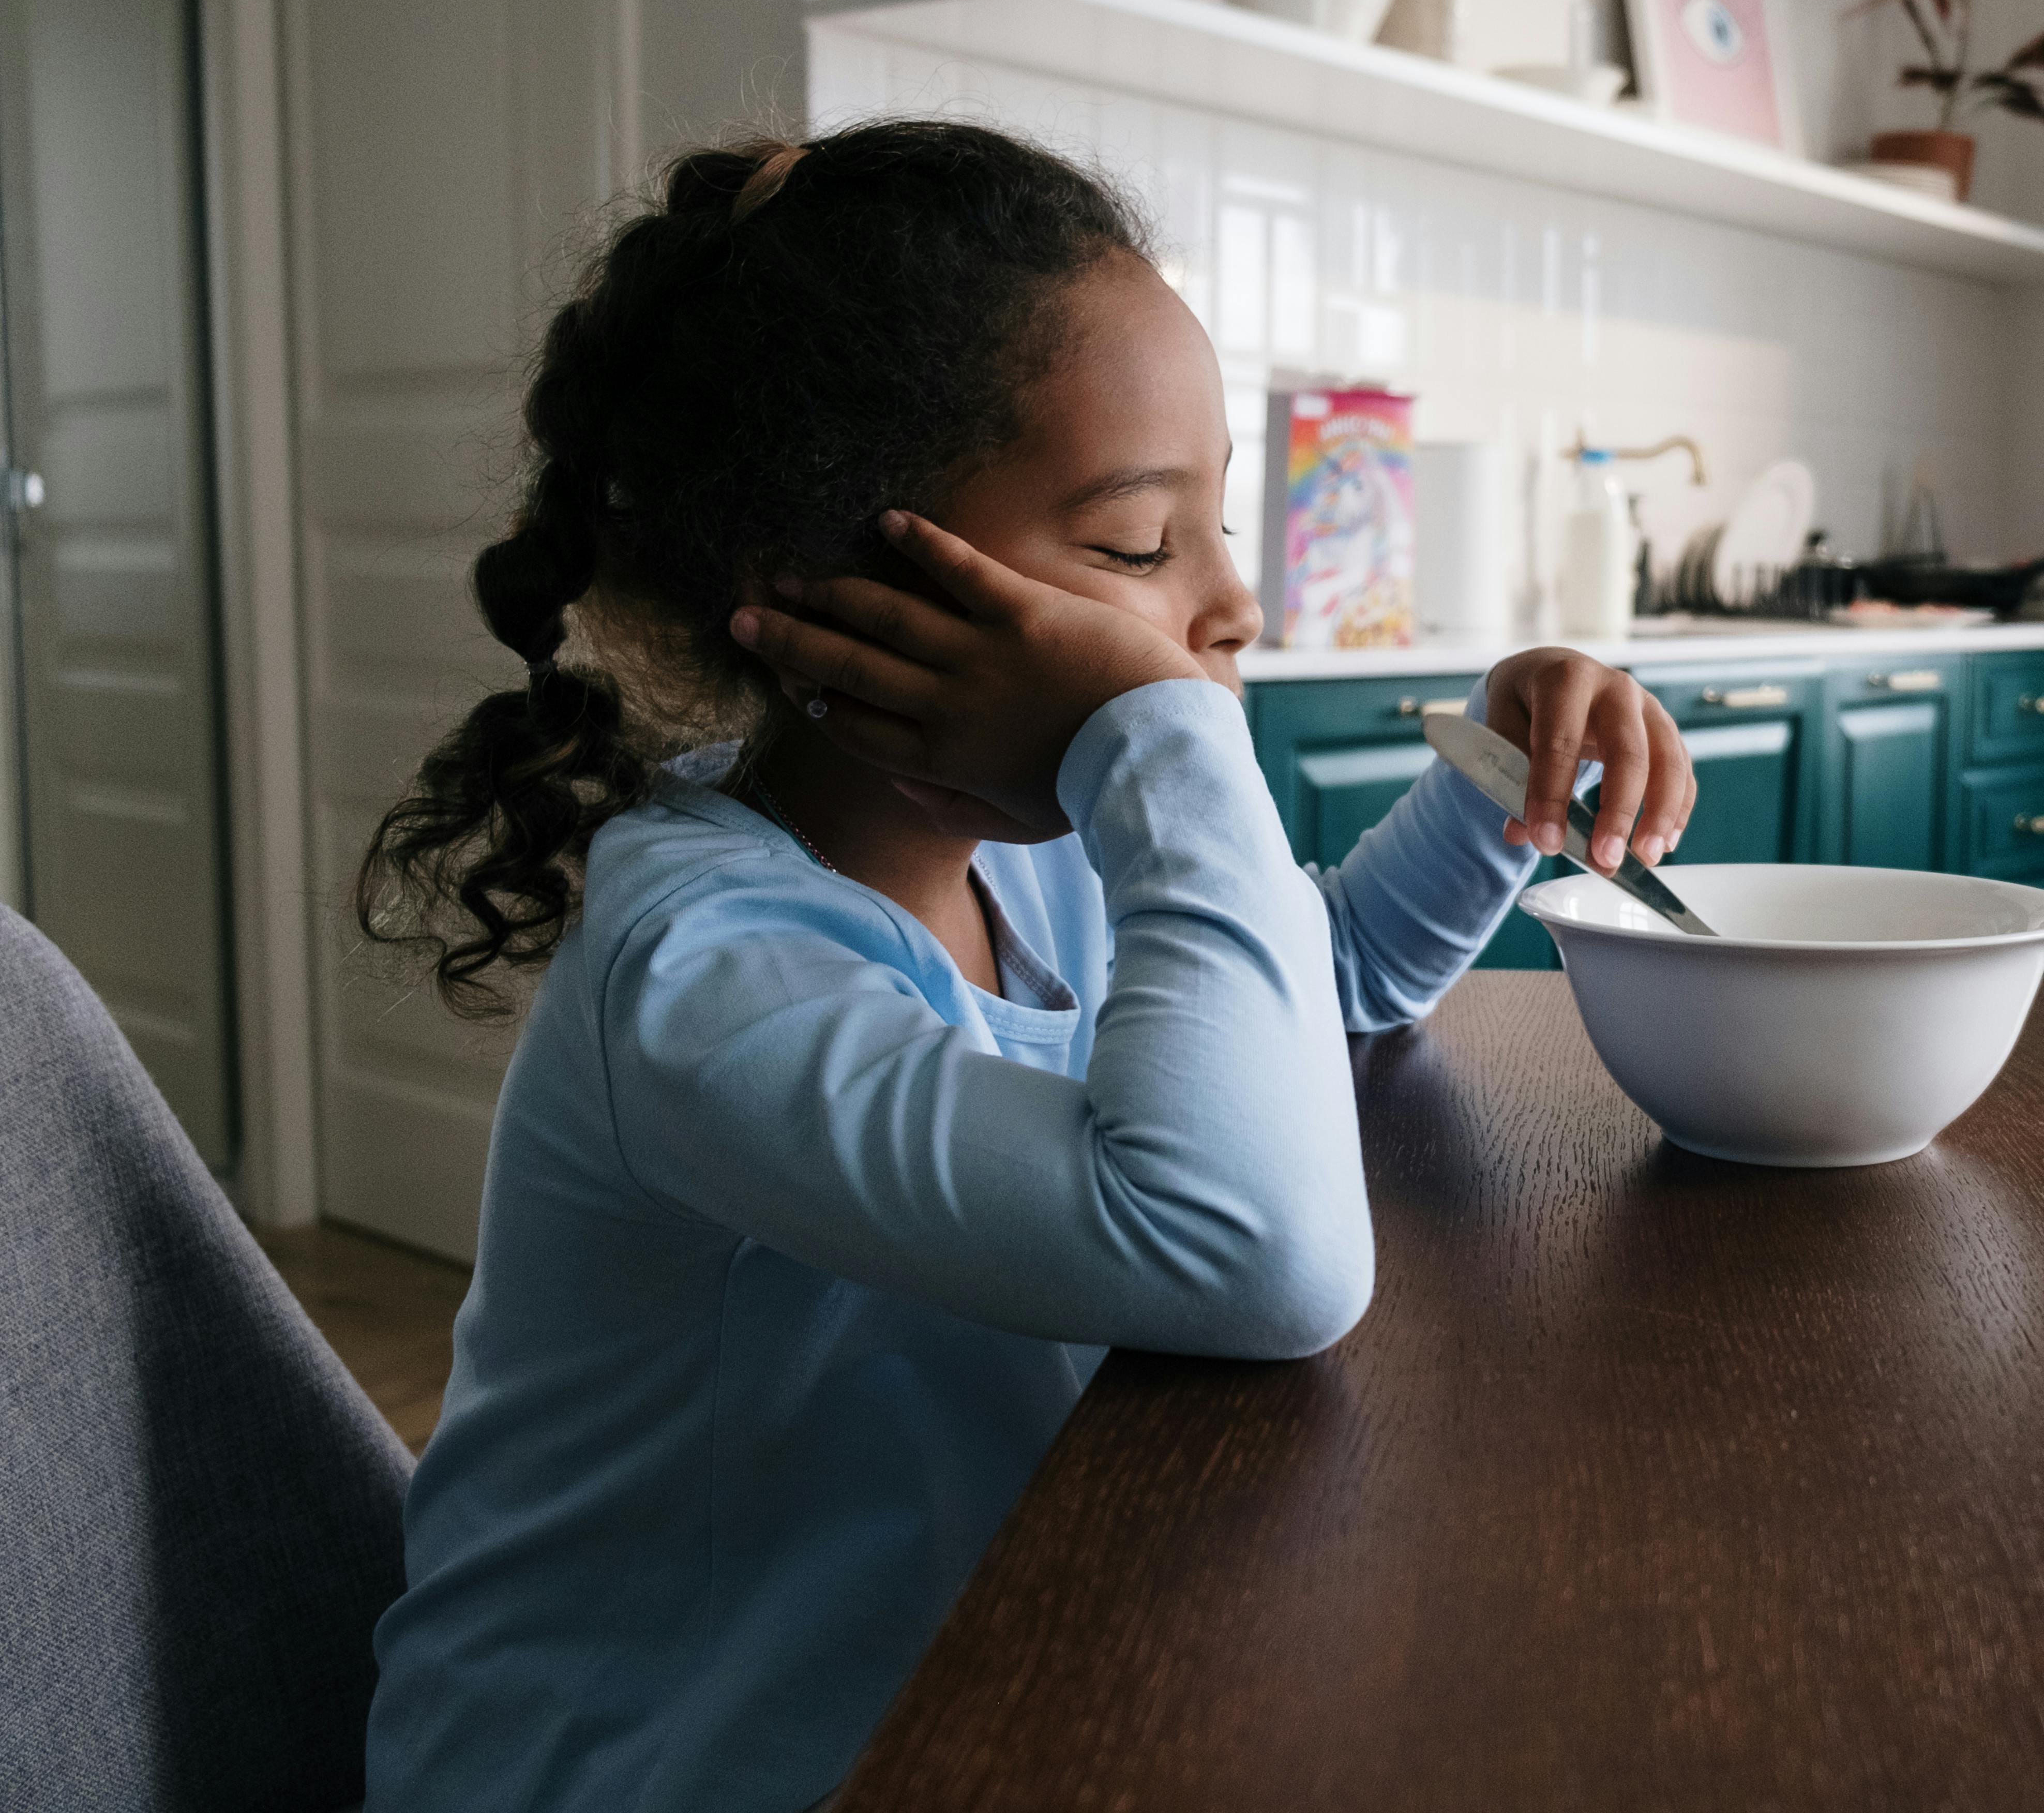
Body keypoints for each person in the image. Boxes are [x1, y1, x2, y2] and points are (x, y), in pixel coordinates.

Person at [352, 122, 1696, 1811]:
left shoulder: (1030, 863)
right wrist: (1151, 736)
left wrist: (1497, 785)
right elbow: (1252, 1251)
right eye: (1140, 547)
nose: (1231, 604)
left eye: (1219, 517)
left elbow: (1321, 994)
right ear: (836, 598)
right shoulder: (704, 975)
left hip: (971, 1678)